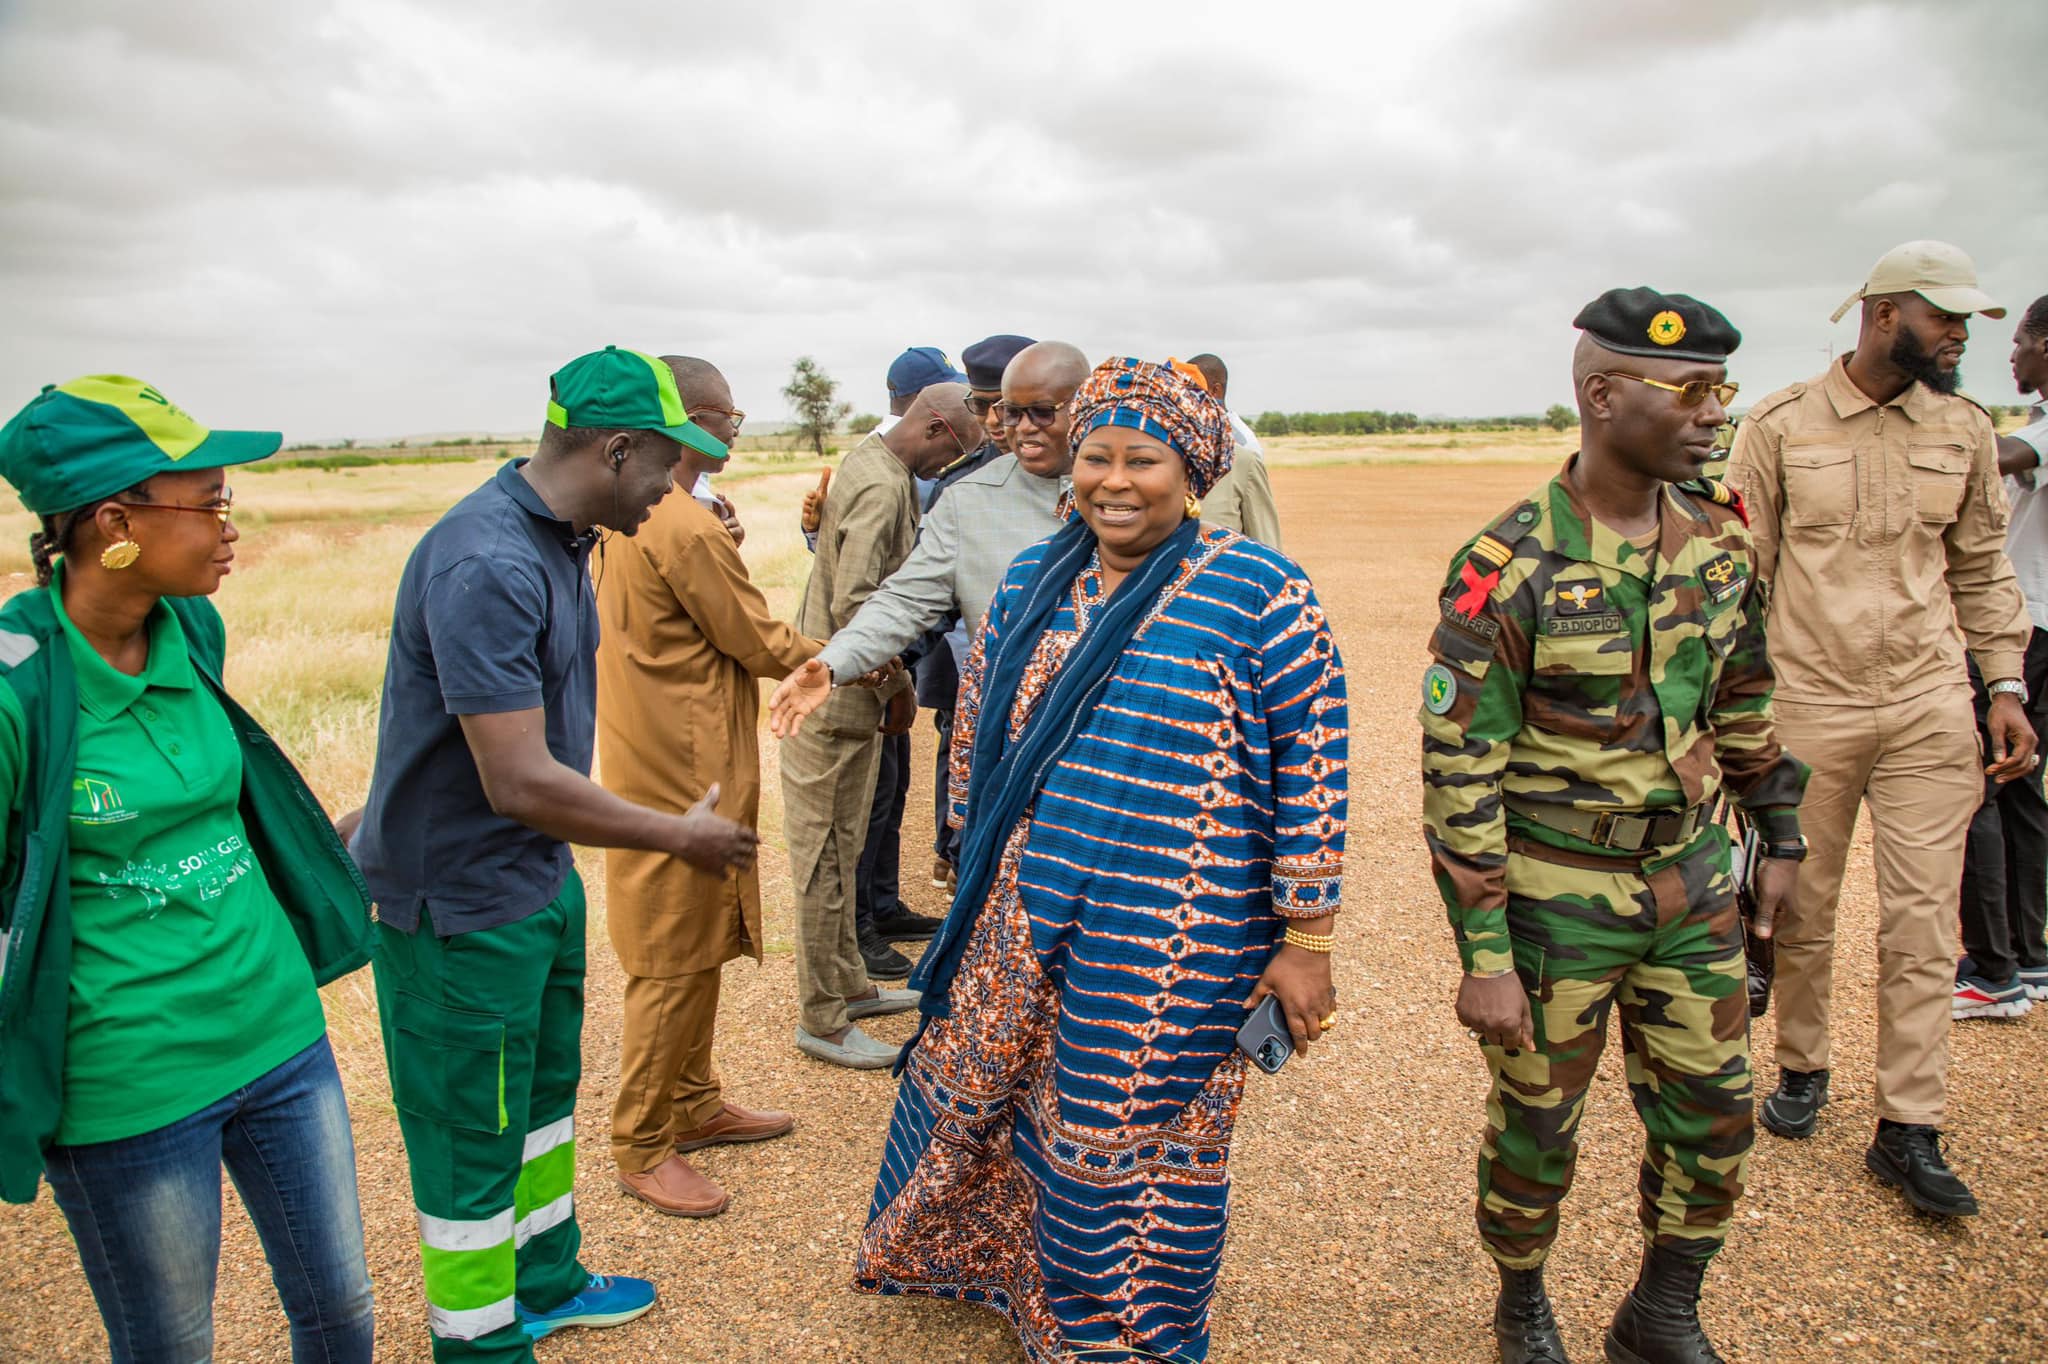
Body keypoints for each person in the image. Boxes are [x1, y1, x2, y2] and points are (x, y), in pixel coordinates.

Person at [825, 357, 1348, 1363]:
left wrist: (1306, 940)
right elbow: (978, 734)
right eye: (1095, 456)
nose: (1113, 480)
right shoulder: (1034, 578)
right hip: (1024, 904)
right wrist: (969, 870)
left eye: (1142, 460)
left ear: (1192, 472)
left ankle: (1120, 1332)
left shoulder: (1261, 591)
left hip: (1172, 933)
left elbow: (1314, 768)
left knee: (1125, 1126)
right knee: (1002, 1087)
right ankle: (1009, 1273)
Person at [1424, 290, 1809, 1364]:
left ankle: (1661, 1310)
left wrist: (1778, 834)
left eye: (1720, 391)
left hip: (1692, 882)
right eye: (1688, 391)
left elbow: (1744, 696)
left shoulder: (1719, 539)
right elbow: (1460, 769)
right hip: (1557, 898)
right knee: (1536, 1128)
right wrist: (1484, 955)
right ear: (1600, 395)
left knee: (1714, 1113)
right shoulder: (1508, 566)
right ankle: (1520, 1304)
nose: (1713, 413)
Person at [351, 346, 758, 1361]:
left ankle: (545, 1279)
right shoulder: (486, 561)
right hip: (463, 909)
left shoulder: (565, 541)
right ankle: (480, 1341)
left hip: (530, 882)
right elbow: (518, 780)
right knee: (471, 1140)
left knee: (536, 1111)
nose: (676, 481)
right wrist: (676, 833)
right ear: (616, 450)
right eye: (666, 459)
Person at [0, 377, 377, 1362]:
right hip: (130, 1082)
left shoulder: (192, 630)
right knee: (170, 1342)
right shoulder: (16, 689)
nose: (228, 525)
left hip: (280, 1035)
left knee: (341, 1307)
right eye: (209, 501)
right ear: (115, 523)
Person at [1728, 241, 2035, 1220]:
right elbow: (1739, 575)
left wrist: (2002, 685)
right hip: (1807, 704)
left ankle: (1909, 1125)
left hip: (1926, 703)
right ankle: (1802, 1065)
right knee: (1801, 906)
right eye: (1944, 316)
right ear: (1883, 313)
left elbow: (1982, 567)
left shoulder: (1962, 429)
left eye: (1967, 320)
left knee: (1922, 919)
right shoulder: (1778, 425)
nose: (1959, 335)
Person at [594, 356, 820, 1218]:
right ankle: (642, 1140)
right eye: (726, 413)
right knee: (671, 958)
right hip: (683, 764)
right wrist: (852, 659)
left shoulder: (640, 513)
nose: (734, 427)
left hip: (657, 744)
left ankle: (692, 1101)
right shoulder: (682, 523)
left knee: (693, 943)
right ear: (685, 419)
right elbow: (757, 639)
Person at [780, 382, 979, 1067]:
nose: (947, 468)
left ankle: (849, 988)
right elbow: (856, 604)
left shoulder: (873, 465)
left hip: (847, 700)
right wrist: (897, 681)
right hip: (833, 702)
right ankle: (822, 1018)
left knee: (844, 854)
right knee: (821, 863)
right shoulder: (883, 485)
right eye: (954, 453)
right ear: (935, 426)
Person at [770, 341, 1092, 740]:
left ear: (1083, 405)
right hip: (1012, 732)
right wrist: (835, 662)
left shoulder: (1128, 492)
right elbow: (905, 600)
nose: (1023, 427)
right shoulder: (969, 500)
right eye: (1012, 412)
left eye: (1042, 412)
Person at [1958, 294, 2048, 1015]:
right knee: (2020, 787)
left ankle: (1992, 970)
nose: (2013, 354)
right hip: (2035, 626)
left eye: (2021, 342)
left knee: (1978, 784)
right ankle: (2029, 954)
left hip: (2025, 630)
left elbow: (1996, 457)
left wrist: (1937, 421)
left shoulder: (2039, 434)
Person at [918, 332, 1035, 889]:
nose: (993, 421)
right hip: (975, 683)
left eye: (1005, 406)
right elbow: (927, 594)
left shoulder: (1091, 480)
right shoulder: (960, 486)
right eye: (981, 404)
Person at [1185, 351, 1282, 547]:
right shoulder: (1182, 436)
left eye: (1192, 389)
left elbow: (1262, 530)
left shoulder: (1243, 445)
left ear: (1215, 390)